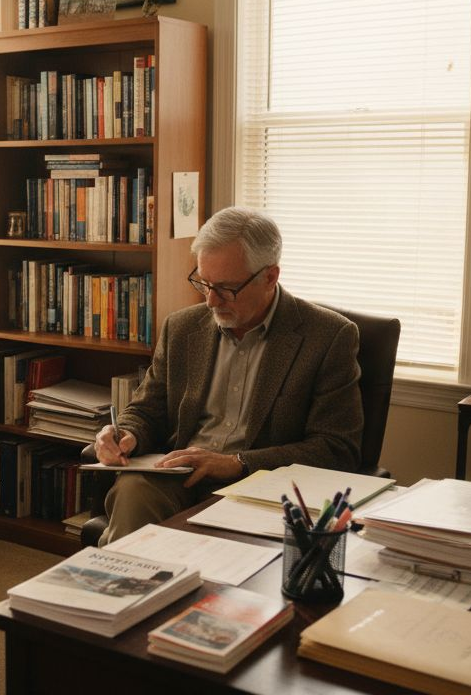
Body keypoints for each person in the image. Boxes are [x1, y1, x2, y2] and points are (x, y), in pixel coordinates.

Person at [93, 206, 362, 545]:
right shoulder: (182, 328)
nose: (210, 300)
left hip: (260, 488)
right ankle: (121, 587)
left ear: (270, 276)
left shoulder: (327, 337)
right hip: (179, 476)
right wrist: (126, 432)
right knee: (133, 489)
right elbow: (148, 409)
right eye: (204, 283)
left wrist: (236, 463)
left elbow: (337, 449)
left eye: (226, 288)